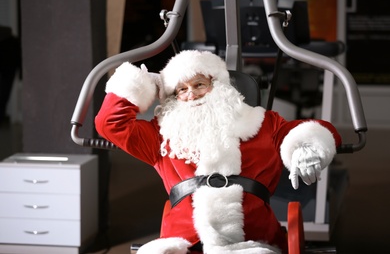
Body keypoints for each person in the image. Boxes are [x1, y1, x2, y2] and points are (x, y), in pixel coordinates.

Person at [95, 50, 342, 254]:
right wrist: (140, 84)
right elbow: (110, 124)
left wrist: (307, 147)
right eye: (181, 89)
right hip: (183, 243)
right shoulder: (162, 135)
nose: (191, 95)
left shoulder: (262, 123)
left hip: (252, 241)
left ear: (219, 85)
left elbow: (312, 130)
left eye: (199, 84)